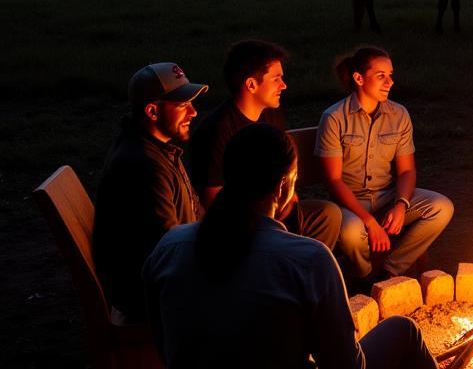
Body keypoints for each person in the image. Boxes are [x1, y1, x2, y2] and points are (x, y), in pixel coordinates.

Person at [143, 124, 473, 369]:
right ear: (282, 186)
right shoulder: (305, 259)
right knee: (401, 332)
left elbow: (167, 351)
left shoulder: (170, 247)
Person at [315, 47, 453, 285]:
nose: (390, 81)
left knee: (441, 207)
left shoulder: (398, 115)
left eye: (390, 75)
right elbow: (334, 181)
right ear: (359, 78)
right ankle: (364, 276)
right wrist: (369, 222)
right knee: (350, 234)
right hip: (351, 204)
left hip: (387, 197)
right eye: (381, 75)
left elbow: (407, 171)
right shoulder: (335, 118)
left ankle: (389, 272)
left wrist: (401, 204)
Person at [189, 39, 341, 252]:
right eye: (276, 78)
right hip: (239, 224)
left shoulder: (271, 116)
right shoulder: (217, 131)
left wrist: (289, 197)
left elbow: (285, 166)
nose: (284, 85)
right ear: (251, 84)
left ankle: (299, 272)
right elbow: (213, 199)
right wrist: (263, 218)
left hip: (276, 211)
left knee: (327, 215)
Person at [93, 62, 208, 322]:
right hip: (152, 300)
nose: (193, 112)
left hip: (167, 280)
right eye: (182, 105)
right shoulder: (145, 167)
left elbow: (193, 214)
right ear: (153, 111)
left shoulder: (160, 148)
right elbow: (169, 251)